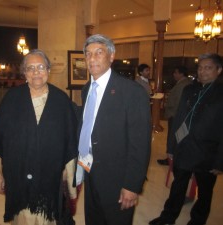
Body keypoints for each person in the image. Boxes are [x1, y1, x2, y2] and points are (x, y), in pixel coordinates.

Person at [0, 49, 78, 225]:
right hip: (19, 178)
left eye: (41, 67)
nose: (36, 72)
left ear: (48, 71)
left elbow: (70, 143)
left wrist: (69, 182)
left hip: (50, 180)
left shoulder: (61, 100)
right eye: (30, 68)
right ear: (24, 73)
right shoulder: (12, 99)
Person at [76, 34, 151, 225]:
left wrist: (132, 186)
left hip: (118, 178)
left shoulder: (132, 92)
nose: (92, 58)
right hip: (90, 171)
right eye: (88, 54)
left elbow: (140, 144)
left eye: (98, 53)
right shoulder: (86, 89)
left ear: (111, 56)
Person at [149, 53, 223, 225]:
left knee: (205, 193)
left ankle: (197, 221)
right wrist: (171, 147)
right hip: (184, 148)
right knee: (177, 187)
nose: (203, 71)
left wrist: (220, 161)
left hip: (208, 154)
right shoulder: (189, 89)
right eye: (200, 67)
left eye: (208, 68)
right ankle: (167, 217)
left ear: (219, 70)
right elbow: (179, 119)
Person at [157, 66, 192, 166]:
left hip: (176, 115)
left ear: (181, 74)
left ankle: (171, 159)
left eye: (176, 73)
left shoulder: (184, 85)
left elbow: (179, 103)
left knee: (173, 137)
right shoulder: (182, 83)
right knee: (173, 137)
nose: (174, 74)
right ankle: (172, 157)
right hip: (176, 114)